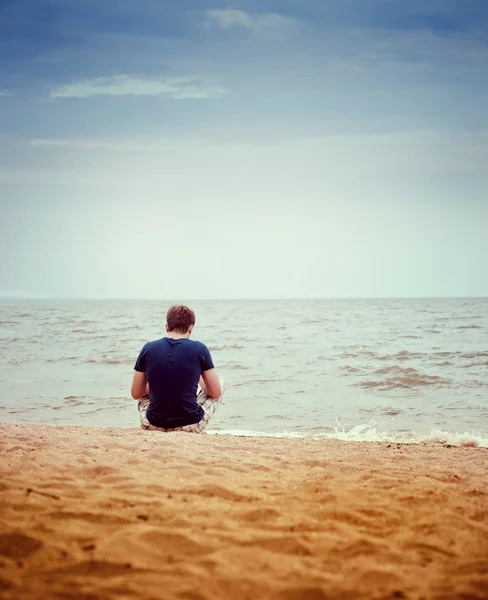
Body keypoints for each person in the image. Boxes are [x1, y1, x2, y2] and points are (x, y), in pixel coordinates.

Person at [131, 305, 224, 433]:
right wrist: (197, 376)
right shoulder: (199, 349)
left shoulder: (148, 348)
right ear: (190, 329)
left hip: (152, 423)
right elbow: (216, 393)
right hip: (190, 425)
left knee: (144, 390)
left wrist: (155, 387)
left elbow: (136, 393)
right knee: (219, 382)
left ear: (167, 327)